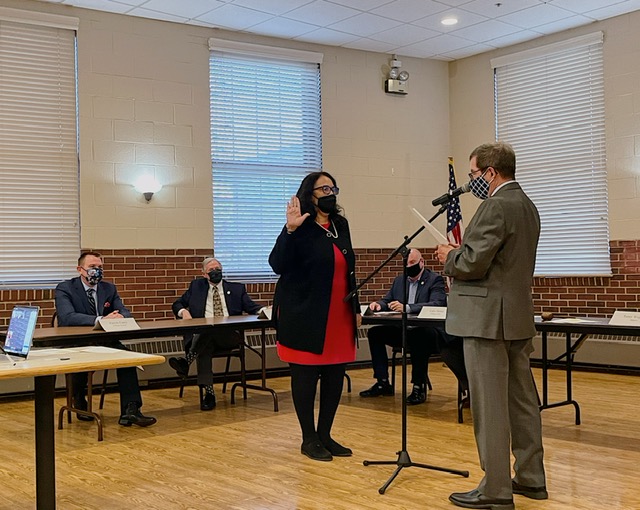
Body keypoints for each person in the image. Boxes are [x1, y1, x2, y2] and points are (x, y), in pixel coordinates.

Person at [436, 142, 547, 510]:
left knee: (490, 406)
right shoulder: (527, 206)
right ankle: (530, 478)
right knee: (522, 401)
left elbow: (471, 264)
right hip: (516, 316)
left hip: (486, 321)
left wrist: (449, 256)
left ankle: (495, 488)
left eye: (472, 174)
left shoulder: (494, 205)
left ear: (490, 172)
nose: (471, 182)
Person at [269, 171, 361, 462]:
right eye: (324, 188)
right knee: (306, 377)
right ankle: (308, 438)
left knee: (335, 376)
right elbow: (277, 264)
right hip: (304, 313)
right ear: (310, 194)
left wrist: (356, 308)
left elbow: (350, 270)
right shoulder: (301, 227)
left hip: (339, 313)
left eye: (333, 187)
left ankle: (325, 435)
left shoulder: (340, 224)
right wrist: (290, 230)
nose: (330, 192)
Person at [55, 251, 156, 427]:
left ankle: (131, 410)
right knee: (79, 364)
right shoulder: (65, 288)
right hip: (77, 342)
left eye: (100, 267)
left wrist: (120, 317)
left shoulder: (109, 288)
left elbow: (123, 310)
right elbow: (67, 317)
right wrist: (100, 319)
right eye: (93, 267)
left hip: (105, 341)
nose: (97, 271)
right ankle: (79, 399)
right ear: (80, 269)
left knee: (128, 358)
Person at [359, 248, 468, 405]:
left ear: (421, 262)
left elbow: (438, 303)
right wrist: (378, 304)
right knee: (375, 333)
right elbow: (388, 299)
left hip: (430, 334)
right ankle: (382, 382)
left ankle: (419, 386)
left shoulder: (434, 279)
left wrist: (408, 307)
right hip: (405, 330)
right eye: (407, 264)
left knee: (419, 336)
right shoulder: (399, 281)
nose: (409, 267)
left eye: (412, 263)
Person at [169, 257, 263, 411]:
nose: (215, 273)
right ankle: (209, 394)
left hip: (229, 336)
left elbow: (252, 307)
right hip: (204, 338)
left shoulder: (237, 289)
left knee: (208, 331)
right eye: (211, 271)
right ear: (204, 274)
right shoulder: (196, 287)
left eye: (218, 269)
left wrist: (266, 311)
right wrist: (183, 311)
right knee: (205, 343)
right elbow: (177, 304)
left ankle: (186, 362)